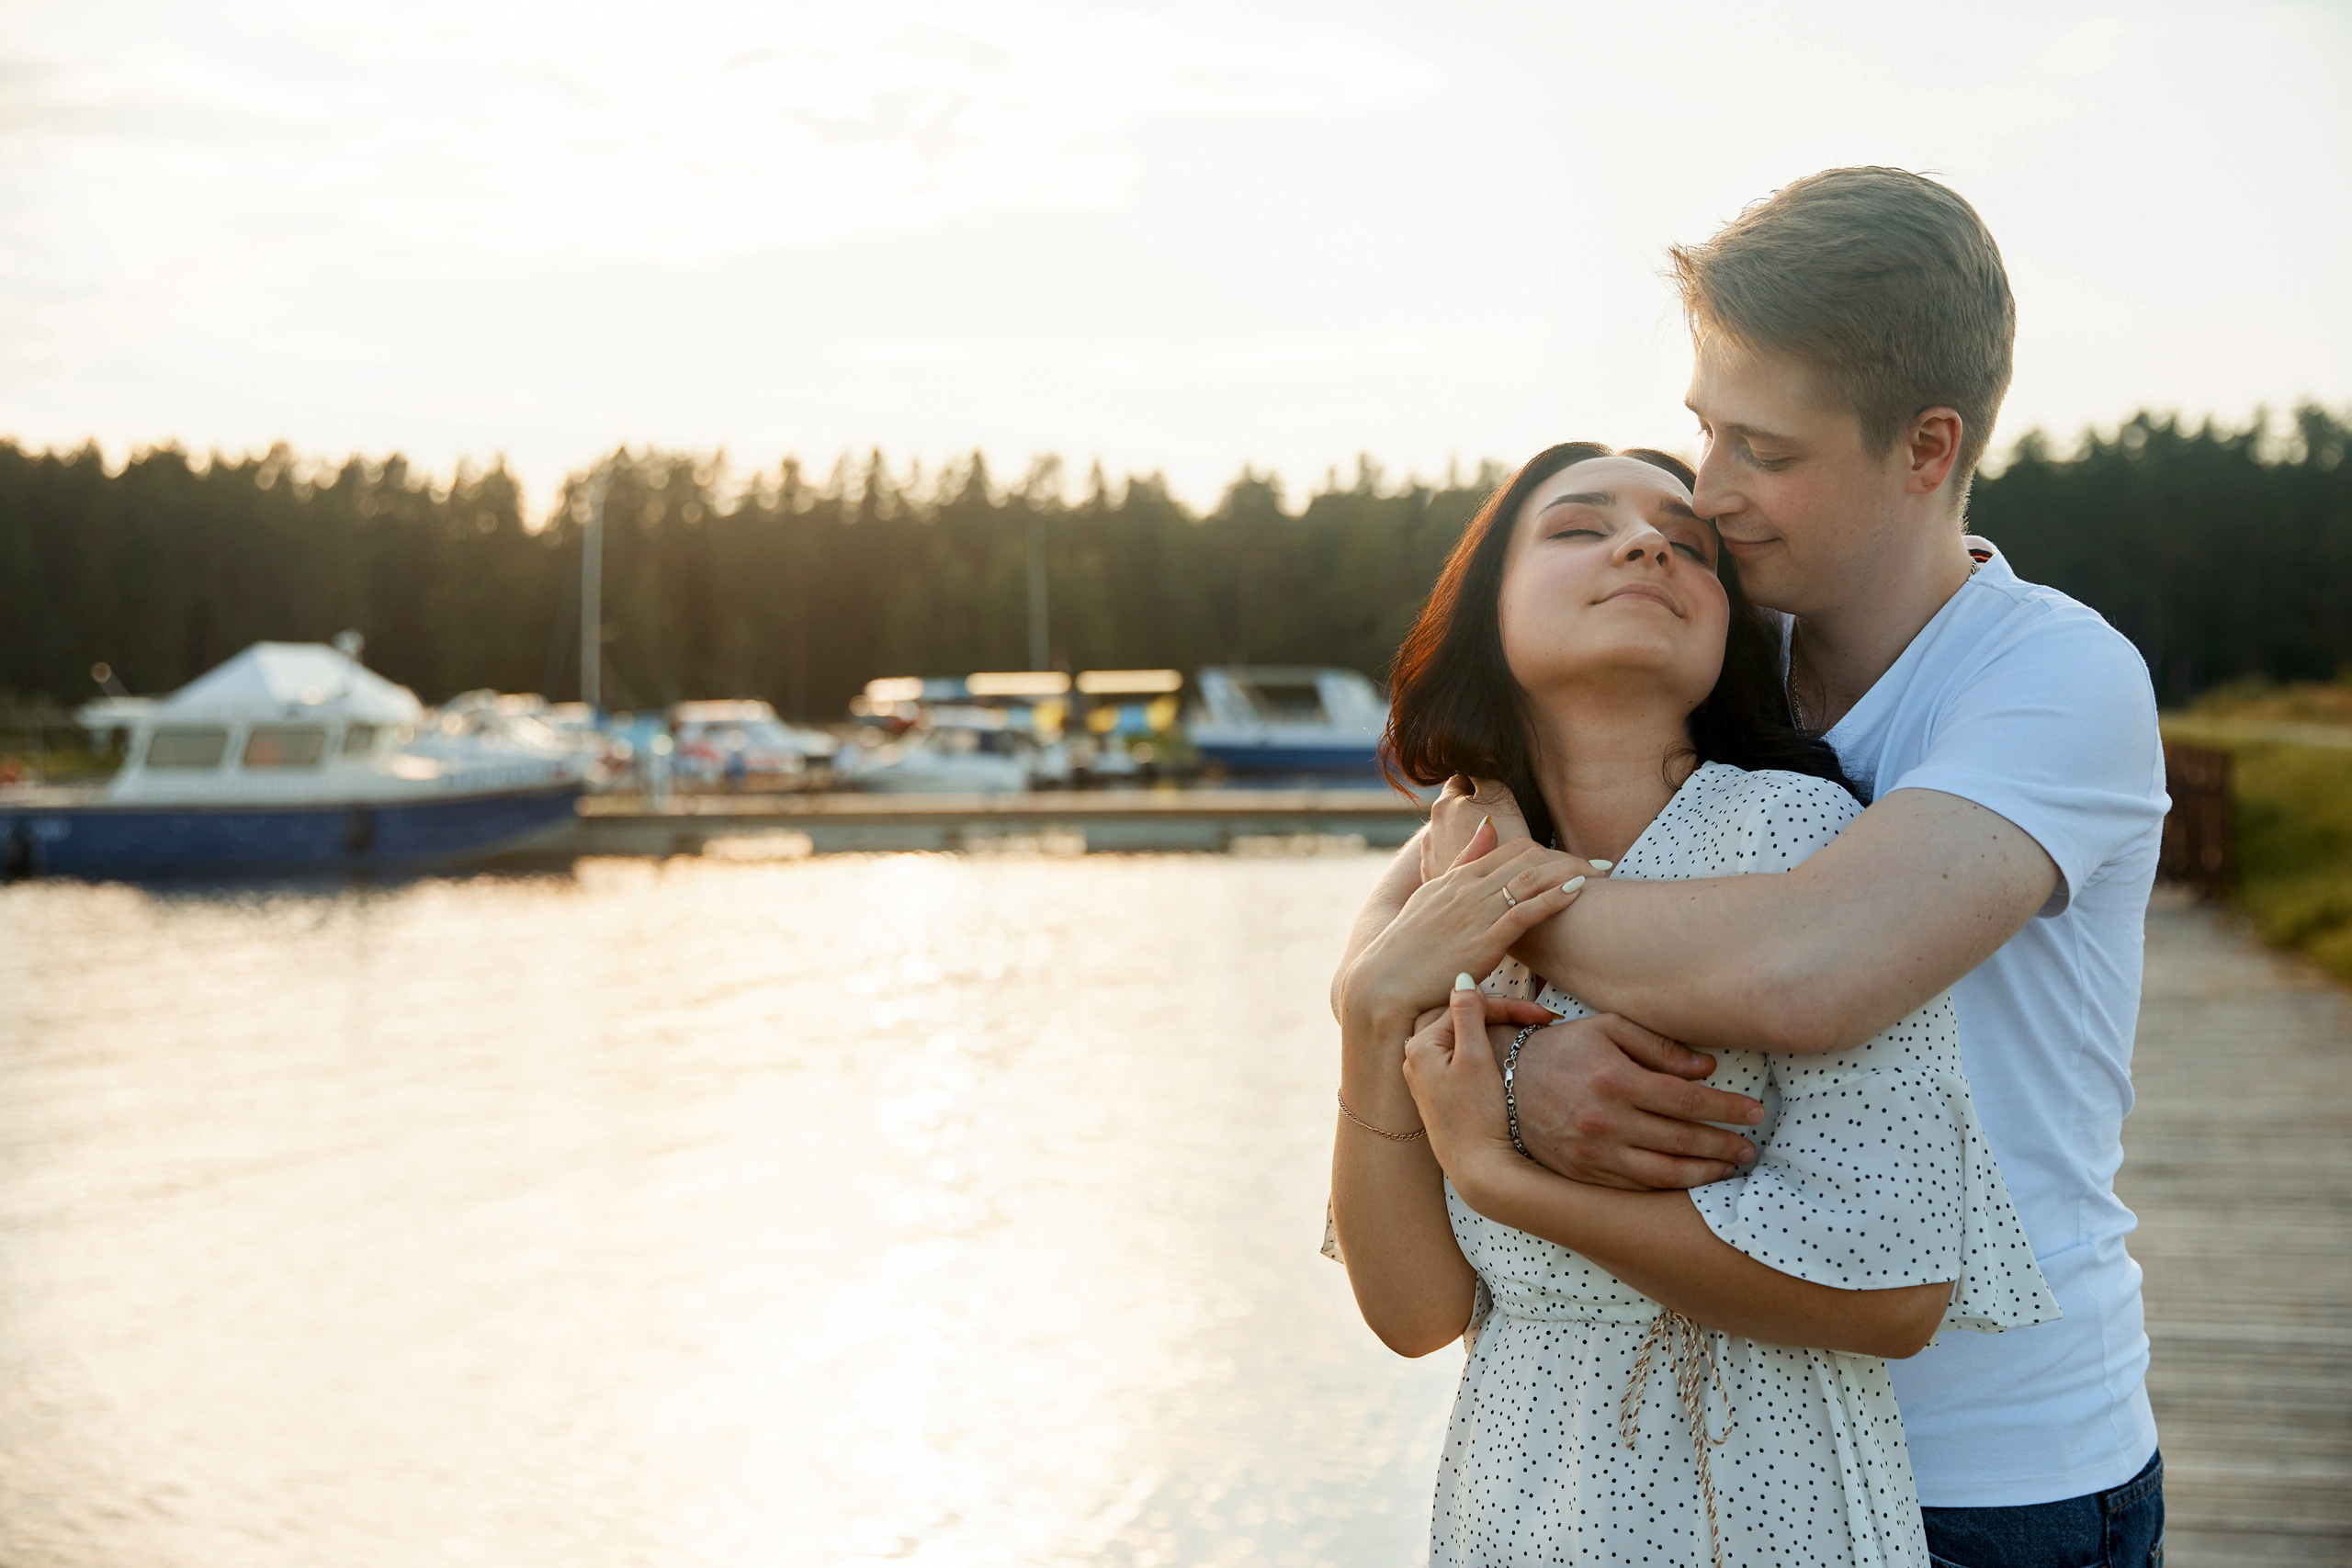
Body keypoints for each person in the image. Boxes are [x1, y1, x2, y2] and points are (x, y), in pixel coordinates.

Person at [1339, 170, 2169, 1565]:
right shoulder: (1708, 651)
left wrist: (1487, 953)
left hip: (1983, 1469)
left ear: (1926, 448)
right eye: (1705, 430)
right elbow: (1415, 907)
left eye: (1764, 451)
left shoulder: (2051, 676)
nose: (1706, 497)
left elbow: (1805, 969)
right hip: (1657, 1473)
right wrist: (1506, 1055)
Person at [1329, 439, 2056, 1567]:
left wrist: (1497, 1178)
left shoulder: (1796, 842)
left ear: (1728, 632)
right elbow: (1416, 1316)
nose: (1642, 546)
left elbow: (1896, 1296)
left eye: (1688, 546)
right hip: (1512, 1500)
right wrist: (1371, 1013)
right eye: (1581, 527)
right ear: (1485, 612)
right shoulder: (1444, 892)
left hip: (1762, 1506)